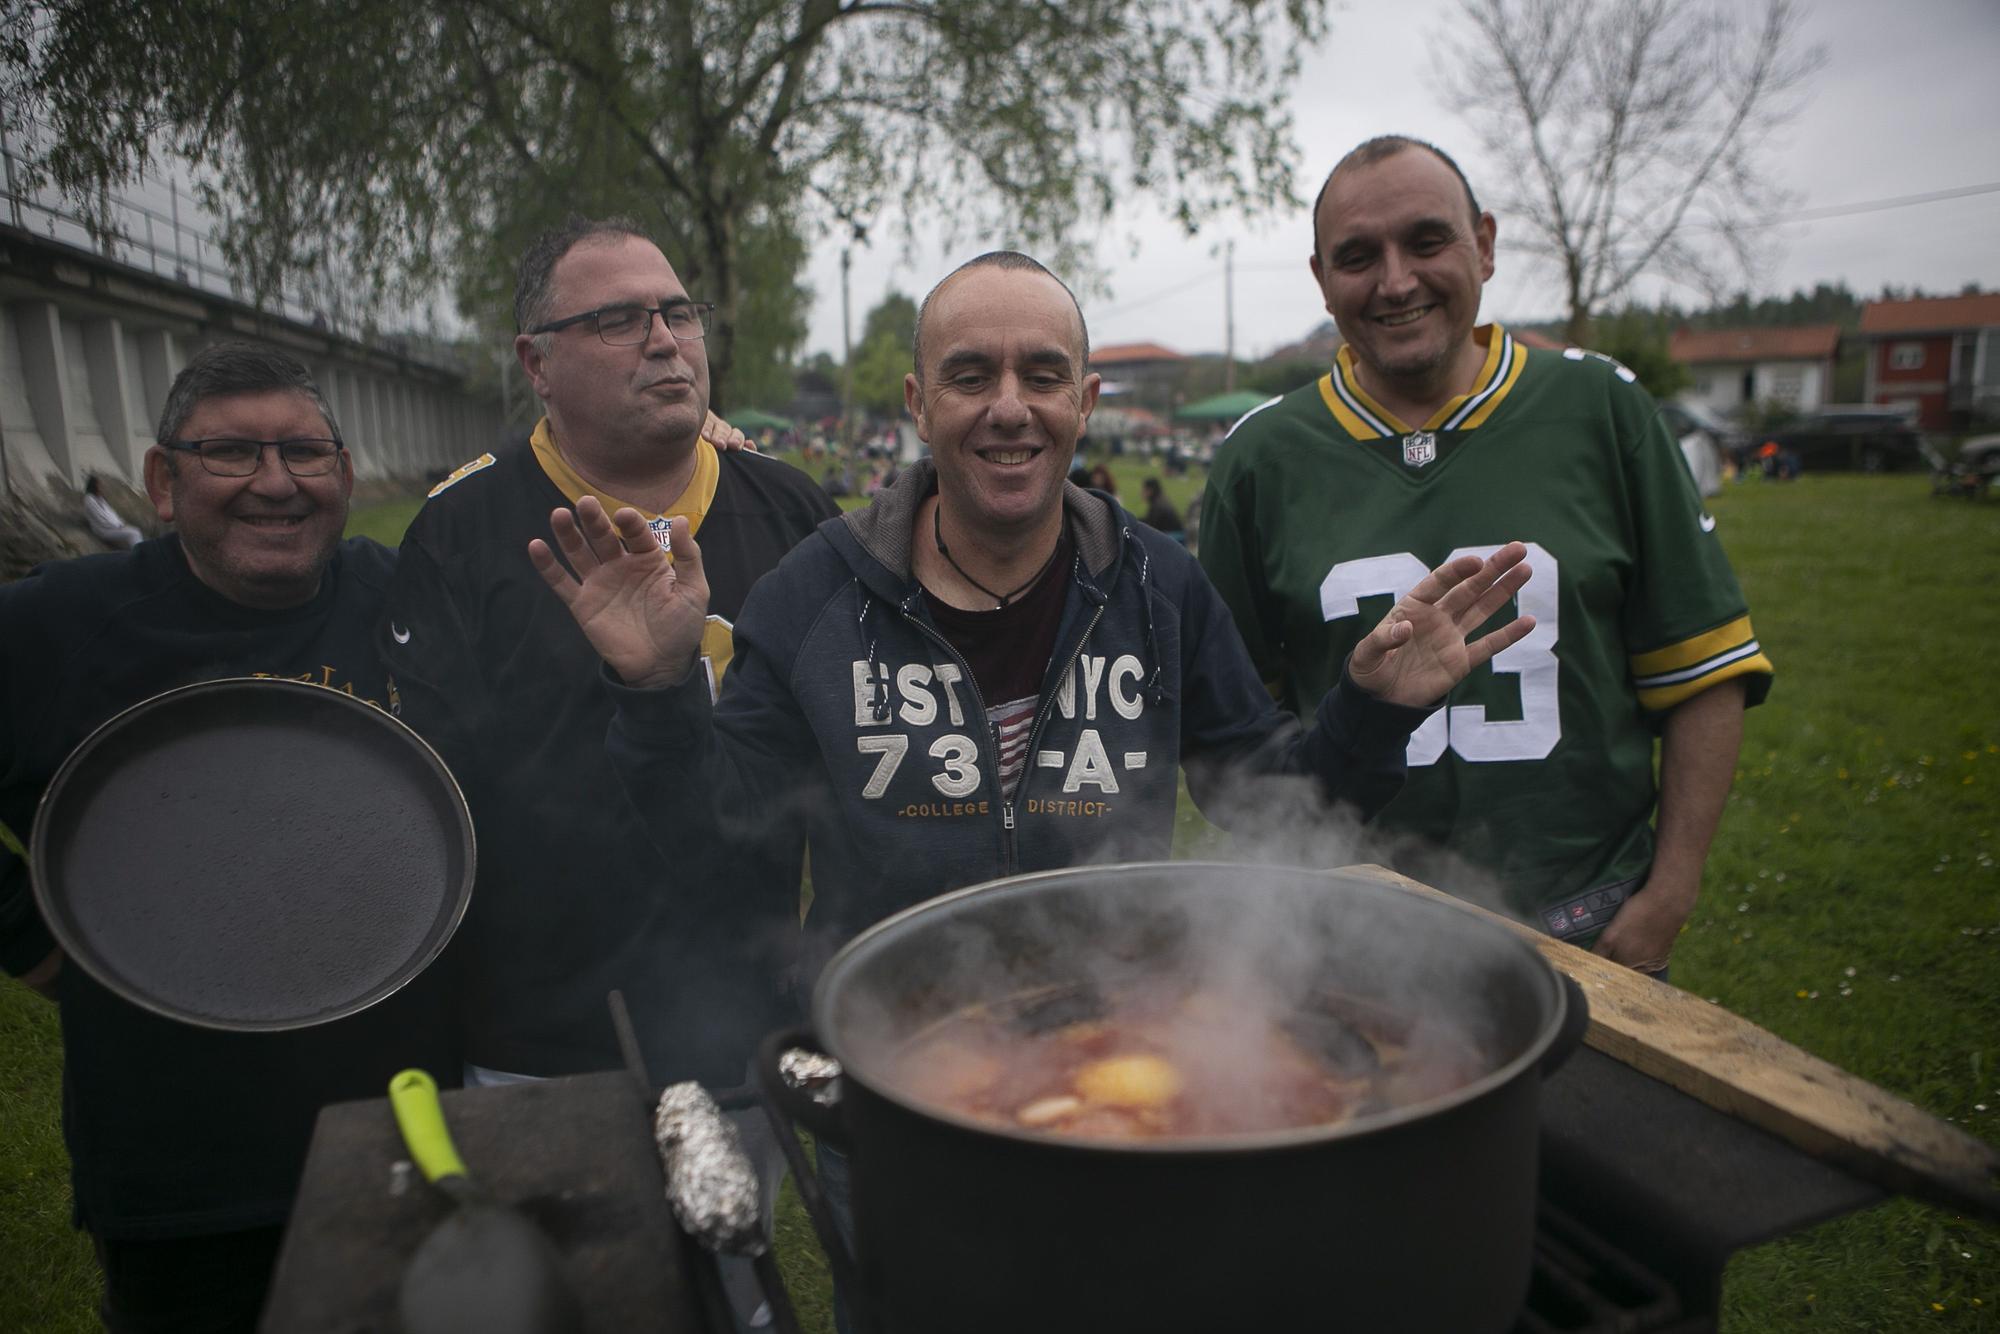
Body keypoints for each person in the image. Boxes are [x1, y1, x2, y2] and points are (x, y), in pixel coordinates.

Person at [534, 250, 1535, 1326]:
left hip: (1135, 1054)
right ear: (917, 403)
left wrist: (1370, 709)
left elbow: (1267, 803)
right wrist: (653, 691)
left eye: (1041, 375)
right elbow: (716, 838)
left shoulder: (1158, 583)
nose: (1008, 408)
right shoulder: (813, 595)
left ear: (1085, 401)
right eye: (970, 375)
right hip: (896, 1093)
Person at [380, 217, 834, 1329]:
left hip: (742, 1017)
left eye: (677, 311)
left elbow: (847, 770)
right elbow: (423, 808)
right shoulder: (459, 532)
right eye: (618, 319)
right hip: (538, 1036)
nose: (664, 340)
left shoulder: (795, 516)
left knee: (733, 1287)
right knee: (573, 1300)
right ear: (535, 360)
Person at [1200, 136, 1774, 976]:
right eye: (1358, 257)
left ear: (1486, 245)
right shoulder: (1259, 459)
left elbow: (1704, 668)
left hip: (1587, 926)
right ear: (1322, 280)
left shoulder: (1599, 408)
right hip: (1350, 944)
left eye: (1427, 241)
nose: (1396, 281)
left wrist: (1671, 893)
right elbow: (1234, 748)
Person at [0, 342, 456, 1332]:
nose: (275, 483)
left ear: (341, 471)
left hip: (394, 1115)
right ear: (163, 482)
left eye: (304, 453)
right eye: (232, 453)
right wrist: (29, 937)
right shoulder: (60, 625)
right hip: (179, 1160)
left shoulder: (405, 601)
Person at [82, 474, 144, 548]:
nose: (101, 487)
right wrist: (117, 526)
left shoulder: (99, 499)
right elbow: (101, 519)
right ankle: (140, 555)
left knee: (136, 531)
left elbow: (111, 513)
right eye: (99, 485)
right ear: (93, 486)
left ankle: (141, 552)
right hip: (103, 530)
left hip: (111, 527)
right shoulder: (89, 500)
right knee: (133, 533)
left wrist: (120, 523)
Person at [1139, 475, 1184, 542]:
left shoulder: (1158, 506)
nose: (1141, 493)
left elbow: (1151, 527)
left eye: (1144, 490)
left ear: (1150, 490)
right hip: (1175, 535)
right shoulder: (1160, 500)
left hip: (1173, 537)